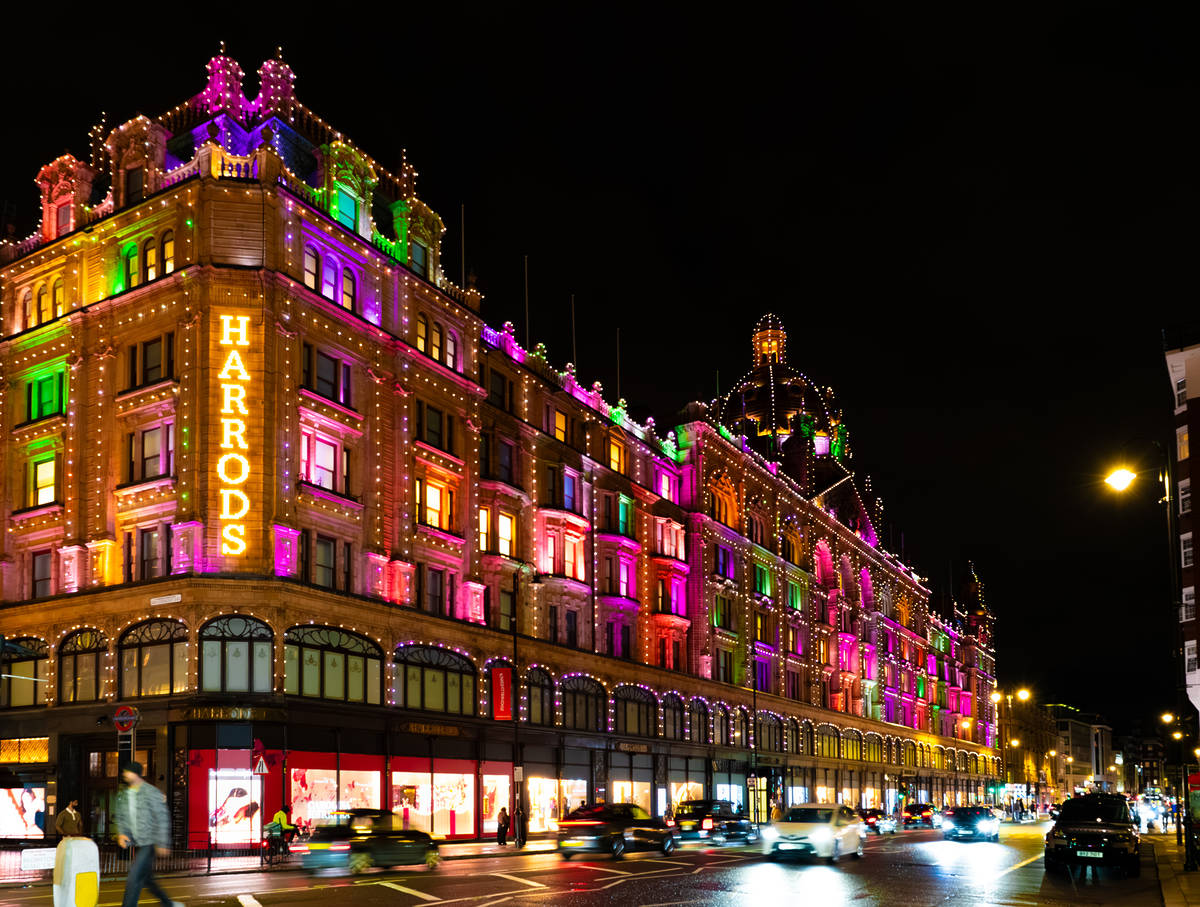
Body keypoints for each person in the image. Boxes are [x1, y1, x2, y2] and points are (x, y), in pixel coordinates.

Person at [114, 761, 182, 907]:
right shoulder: (124, 795)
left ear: (136, 773)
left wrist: (163, 843)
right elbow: (121, 817)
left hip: (151, 842)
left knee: (134, 876)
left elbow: (162, 817)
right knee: (146, 878)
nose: (124, 774)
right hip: (138, 841)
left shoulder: (151, 792)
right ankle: (168, 904)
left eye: (127, 771)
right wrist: (122, 834)